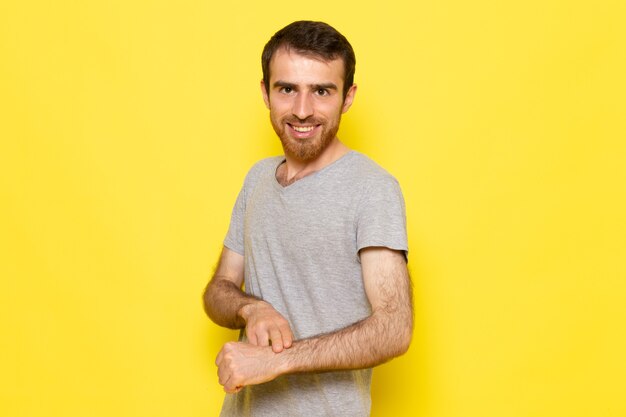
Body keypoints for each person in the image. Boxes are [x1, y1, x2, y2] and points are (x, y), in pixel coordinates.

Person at [203, 20, 413, 417]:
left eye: (321, 91)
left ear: (347, 97)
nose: (302, 111)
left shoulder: (372, 189)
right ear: (265, 92)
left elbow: (394, 328)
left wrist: (278, 360)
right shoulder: (257, 180)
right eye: (287, 89)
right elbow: (219, 289)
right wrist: (252, 308)